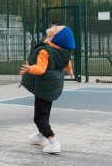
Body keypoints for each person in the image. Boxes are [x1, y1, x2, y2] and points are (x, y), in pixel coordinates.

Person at [19, 25, 75, 154]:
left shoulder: (45, 51)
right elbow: (67, 62)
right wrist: (70, 70)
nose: (53, 26)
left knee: (39, 118)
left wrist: (30, 69)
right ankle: (41, 135)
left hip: (44, 87)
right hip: (51, 88)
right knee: (45, 113)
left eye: (56, 28)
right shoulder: (60, 50)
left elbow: (41, 68)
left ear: (55, 37)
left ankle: (52, 141)